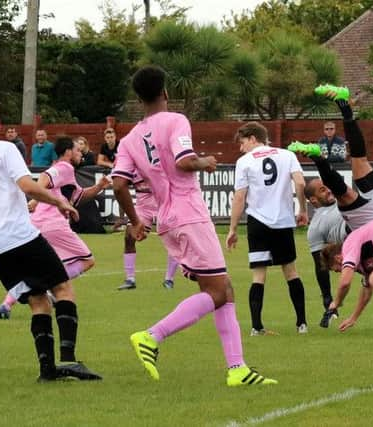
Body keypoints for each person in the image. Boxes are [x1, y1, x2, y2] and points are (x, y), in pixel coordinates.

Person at [112, 65, 277, 386]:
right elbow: (183, 161)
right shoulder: (176, 121)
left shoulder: (129, 139)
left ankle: (238, 369)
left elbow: (119, 184)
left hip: (167, 220)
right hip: (189, 213)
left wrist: (134, 222)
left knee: (223, 289)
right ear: (165, 92)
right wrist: (206, 162)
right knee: (218, 291)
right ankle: (151, 336)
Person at [0, 102, 100, 381]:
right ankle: (69, 360)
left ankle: (48, 371)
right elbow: (27, 185)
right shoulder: (5, 149)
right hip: (21, 235)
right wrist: (60, 201)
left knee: (37, 301)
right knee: (63, 288)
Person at [289, 84, 373, 325]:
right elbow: (367, 286)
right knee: (347, 188)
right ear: (313, 201)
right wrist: (347, 313)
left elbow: (356, 283)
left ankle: (343, 109)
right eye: (320, 190)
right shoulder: (324, 234)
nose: (340, 268)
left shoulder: (353, 254)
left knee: (358, 165)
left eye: (338, 267)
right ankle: (321, 150)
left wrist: (339, 305)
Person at [0, 136, 111, 319]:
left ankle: (6, 304)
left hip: (37, 225)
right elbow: (46, 177)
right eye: (76, 149)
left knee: (36, 269)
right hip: (54, 224)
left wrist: (98, 187)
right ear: (67, 152)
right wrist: (34, 199)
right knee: (87, 260)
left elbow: (79, 196)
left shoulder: (68, 176)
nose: (80, 153)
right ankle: (51, 288)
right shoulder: (64, 167)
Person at [225, 122, 309, 336]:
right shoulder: (287, 155)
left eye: (243, 143)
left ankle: (256, 327)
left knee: (258, 275)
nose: (241, 148)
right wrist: (302, 209)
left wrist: (233, 228)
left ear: (253, 138)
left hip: (258, 222)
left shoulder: (244, 162)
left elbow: (240, 196)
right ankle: (302, 324)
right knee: (290, 271)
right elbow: (300, 183)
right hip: (282, 221)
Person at [117, 171, 179, 291]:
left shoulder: (160, 162)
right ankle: (130, 279)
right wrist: (121, 217)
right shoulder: (132, 166)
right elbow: (121, 189)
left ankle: (169, 279)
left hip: (164, 205)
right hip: (143, 208)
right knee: (129, 237)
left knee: (173, 240)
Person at [304, 178, 348, 327]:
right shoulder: (315, 228)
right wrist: (327, 298)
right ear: (313, 200)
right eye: (322, 190)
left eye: (327, 187)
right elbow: (320, 265)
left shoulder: (345, 198)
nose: (329, 190)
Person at [99, 128, 126, 231]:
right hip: (116, 171)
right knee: (117, 192)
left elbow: (123, 159)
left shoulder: (120, 145)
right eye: (108, 137)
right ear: (105, 139)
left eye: (111, 137)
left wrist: (115, 165)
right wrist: (110, 164)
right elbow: (99, 161)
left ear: (115, 137)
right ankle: (121, 220)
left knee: (121, 193)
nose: (110, 139)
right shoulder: (104, 147)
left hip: (124, 170)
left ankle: (124, 220)